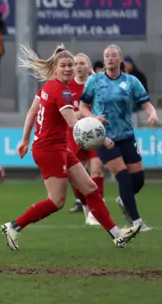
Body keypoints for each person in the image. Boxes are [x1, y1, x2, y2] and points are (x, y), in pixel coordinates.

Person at [1, 45, 142, 251]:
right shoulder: (62, 91)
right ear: (56, 68)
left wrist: (24, 140)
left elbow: (32, 113)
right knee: (56, 202)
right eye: (64, 66)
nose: (68, 69)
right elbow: (73, 125)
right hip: (50, 150)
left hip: (56, 148)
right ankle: (12, 226)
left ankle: (116, 234)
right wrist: (104, 139)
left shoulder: (47, 87)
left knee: (91, 189)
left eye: (70, 65)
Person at [79, 44, 159, 232]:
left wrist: (152, 114)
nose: (110, 59)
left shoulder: (131, 81)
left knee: (137, 180)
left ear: (120, 59)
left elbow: (146, 103)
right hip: (103, 137)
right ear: (104, 59)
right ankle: (136, 222)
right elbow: (83, 106)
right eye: (107, 56)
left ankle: (124, 200)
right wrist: (93, 118)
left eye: (114, 55)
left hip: (126, 135)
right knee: (123, 176)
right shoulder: (95, 81)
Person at [66, 53, 105, 226]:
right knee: (77, 175)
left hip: (95, 132)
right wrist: (78, 114)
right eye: (76, 63)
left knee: (97, 171)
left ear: (88, 66)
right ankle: (84, 203)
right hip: (75, 134)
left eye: (82, 63)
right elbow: (64, 113)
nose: (78, 66)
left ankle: (96, 211)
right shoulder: (67, 86)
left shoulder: (96, 85)